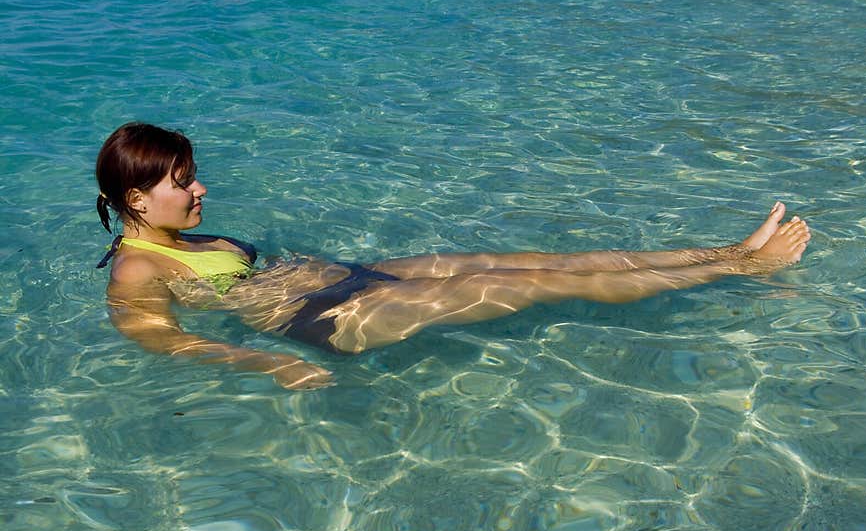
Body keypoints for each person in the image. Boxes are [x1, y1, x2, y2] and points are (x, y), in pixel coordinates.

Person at [95, 123, 811, 390]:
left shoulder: (181, 238)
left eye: (193, 175)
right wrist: (272, 363)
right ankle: (743, 269)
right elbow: (168, 342)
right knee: (525, 288)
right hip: (325, 319)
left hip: (344, 279)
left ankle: (725, 249)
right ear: (135, 200)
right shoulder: (136, 269)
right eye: (182, 182)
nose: (200, 189)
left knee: (532, 261)